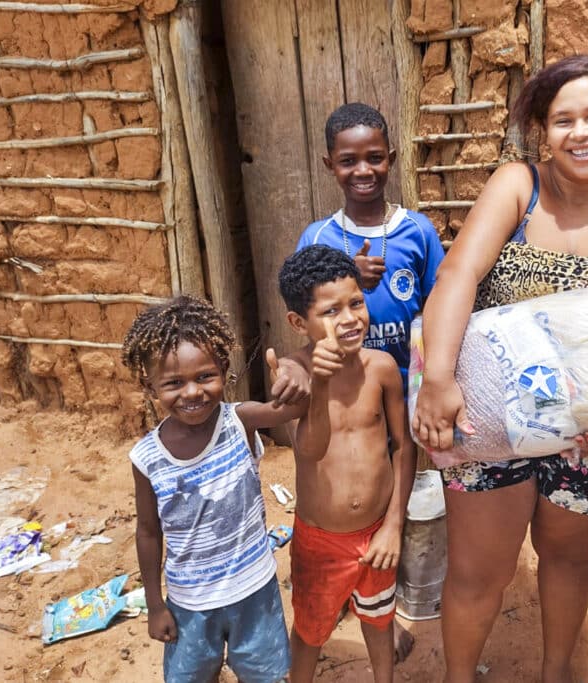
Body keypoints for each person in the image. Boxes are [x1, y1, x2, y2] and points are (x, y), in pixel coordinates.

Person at [411, 54, 588, 682]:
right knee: (478, 570)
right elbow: (459, 274)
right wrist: (439, 379)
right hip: (488, 420)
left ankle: (556, 670)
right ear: (544, 129)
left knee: (567, 558)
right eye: (564, 119)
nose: (581, 131)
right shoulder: (519, 187)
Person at [123, 295, 298, 683]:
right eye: (173, 383)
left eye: (205, 376)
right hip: (189, 604)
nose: (191, 392)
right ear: (149, 385)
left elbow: (291, 410)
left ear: (224, 369)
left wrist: (293, 376)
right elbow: (149, 532)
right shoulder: (147, 458)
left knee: (267, 675)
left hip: (254, 591)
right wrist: (155, 604)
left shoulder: (240, 421)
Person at [277, 245, 414, 683]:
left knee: (379, 619)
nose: (350, 318)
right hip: (320, 542)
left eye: (356, 303)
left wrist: (394, 524)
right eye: (331, 311)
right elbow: (312, 449)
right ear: (300, 323)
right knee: (311, 630)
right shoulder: (295, 373)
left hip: (378, 534)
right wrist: (317, 383)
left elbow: (403, 447)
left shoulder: (382, 369)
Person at [296, 102, 444, 393]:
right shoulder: (317, 239)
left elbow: (438, 306)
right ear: (330, 165)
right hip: (348, 394)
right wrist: (350, 279)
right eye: (348, 161)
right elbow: (306, 314)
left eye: (375, 158)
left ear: (390, 159)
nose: (363, 171)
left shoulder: (418, 230)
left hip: (412, 388)